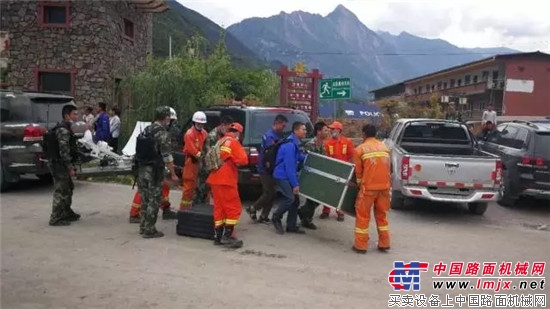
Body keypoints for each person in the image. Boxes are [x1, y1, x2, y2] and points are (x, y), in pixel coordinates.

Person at [136, 106, 179, 238]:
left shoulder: (146, 130)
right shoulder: (162, 134)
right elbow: (167, 157)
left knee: (144, 199)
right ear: (166, 118)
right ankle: (150, 230)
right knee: (154, 200)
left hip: (141, 169)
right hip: (154, 171)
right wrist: (173, 174)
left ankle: (143, 226)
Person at [207, 122, 248, 248]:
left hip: (215, 179)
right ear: (238, 133)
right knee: (234, 208)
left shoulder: (221, 140)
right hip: (226, 180)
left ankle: (218, 236)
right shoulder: (234, 142)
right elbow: (243, 160)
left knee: (219, 209)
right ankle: (227, 236)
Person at [352, 124, 391, 254]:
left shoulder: (360, 149)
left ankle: (361, 246)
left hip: (368, 188)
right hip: (384, 187)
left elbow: (358, 173)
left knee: (363, 216)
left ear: (364, 134)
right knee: (382, 216)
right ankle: (384, 243)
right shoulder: (385, 148)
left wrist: (359, 187)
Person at [246, 114, 288, 223]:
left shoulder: (278, 135)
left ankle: (264, 216)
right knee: (269, 192)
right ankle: (253, 208)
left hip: (273, 168)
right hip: (266, 169)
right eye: (283, 126)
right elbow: (269, 154)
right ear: (277, 123)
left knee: (272, 193)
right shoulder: (270, 136)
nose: (284, 128)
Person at [271, 121, 307, 235]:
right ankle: (276, 217)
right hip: (282, 175)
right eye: (303, 129)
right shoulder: (290, 145)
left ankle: (291, 226)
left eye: (305, 129)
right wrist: (295, 184)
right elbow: (290, 167)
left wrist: (308, 157)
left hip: (287, 174)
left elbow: (299, 157)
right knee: (290, 198)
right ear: (296, 131)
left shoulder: (294, 142)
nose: (305, 131)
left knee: (295, 201)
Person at [48, 104, 80, 226]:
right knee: (61, 190)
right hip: (59, 164)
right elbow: (64, 151)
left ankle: (66, 212)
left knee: (69, 188)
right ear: (67, 116)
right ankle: (55, 217)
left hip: (61, 163)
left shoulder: (66, 128)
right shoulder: (63, 130)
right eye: (74, 114)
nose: (76, 116)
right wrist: (70, 167)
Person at [194, 115, 234, 205]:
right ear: (223, 125)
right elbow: (211, 156)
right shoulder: (212, 137)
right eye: (228, 128)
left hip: (214, 168)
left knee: (207, 194)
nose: (228, 131)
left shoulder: (223, 135)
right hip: (206, 169)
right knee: (201, 192)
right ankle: (195, 212)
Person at [297, 121, 329, 230]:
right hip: (310, 177)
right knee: (313, 198)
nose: (327, 132)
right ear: (318, 131)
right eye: (325, 130)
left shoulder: (322, 145)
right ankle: (306, 219)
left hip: (319, 177)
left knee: (318, 198)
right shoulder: (310, 145)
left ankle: (303, 213)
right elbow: (305, 162)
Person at [321, 121, 354, 222]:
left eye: (332, 129)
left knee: (341, 192)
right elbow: (326, 156)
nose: (331, 131)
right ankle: (326, 211)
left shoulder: (347, 142)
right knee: (328, 191)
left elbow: (351, 155)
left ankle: (340, 211)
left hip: (343, 171)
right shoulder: (327, 143)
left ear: (339, 130)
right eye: (330, 129)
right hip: (331, 170)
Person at [180, 111, 208, 209]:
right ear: (194, 123)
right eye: (198, 123)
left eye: (202, 124)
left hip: (202, 164)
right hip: (192, 163)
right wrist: (204, 157)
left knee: (203, 188)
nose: (200, 125)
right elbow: (193, 150)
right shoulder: (189, 134)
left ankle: (202, 210)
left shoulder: (205, 133)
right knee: (189, 189)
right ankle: (184, 211)